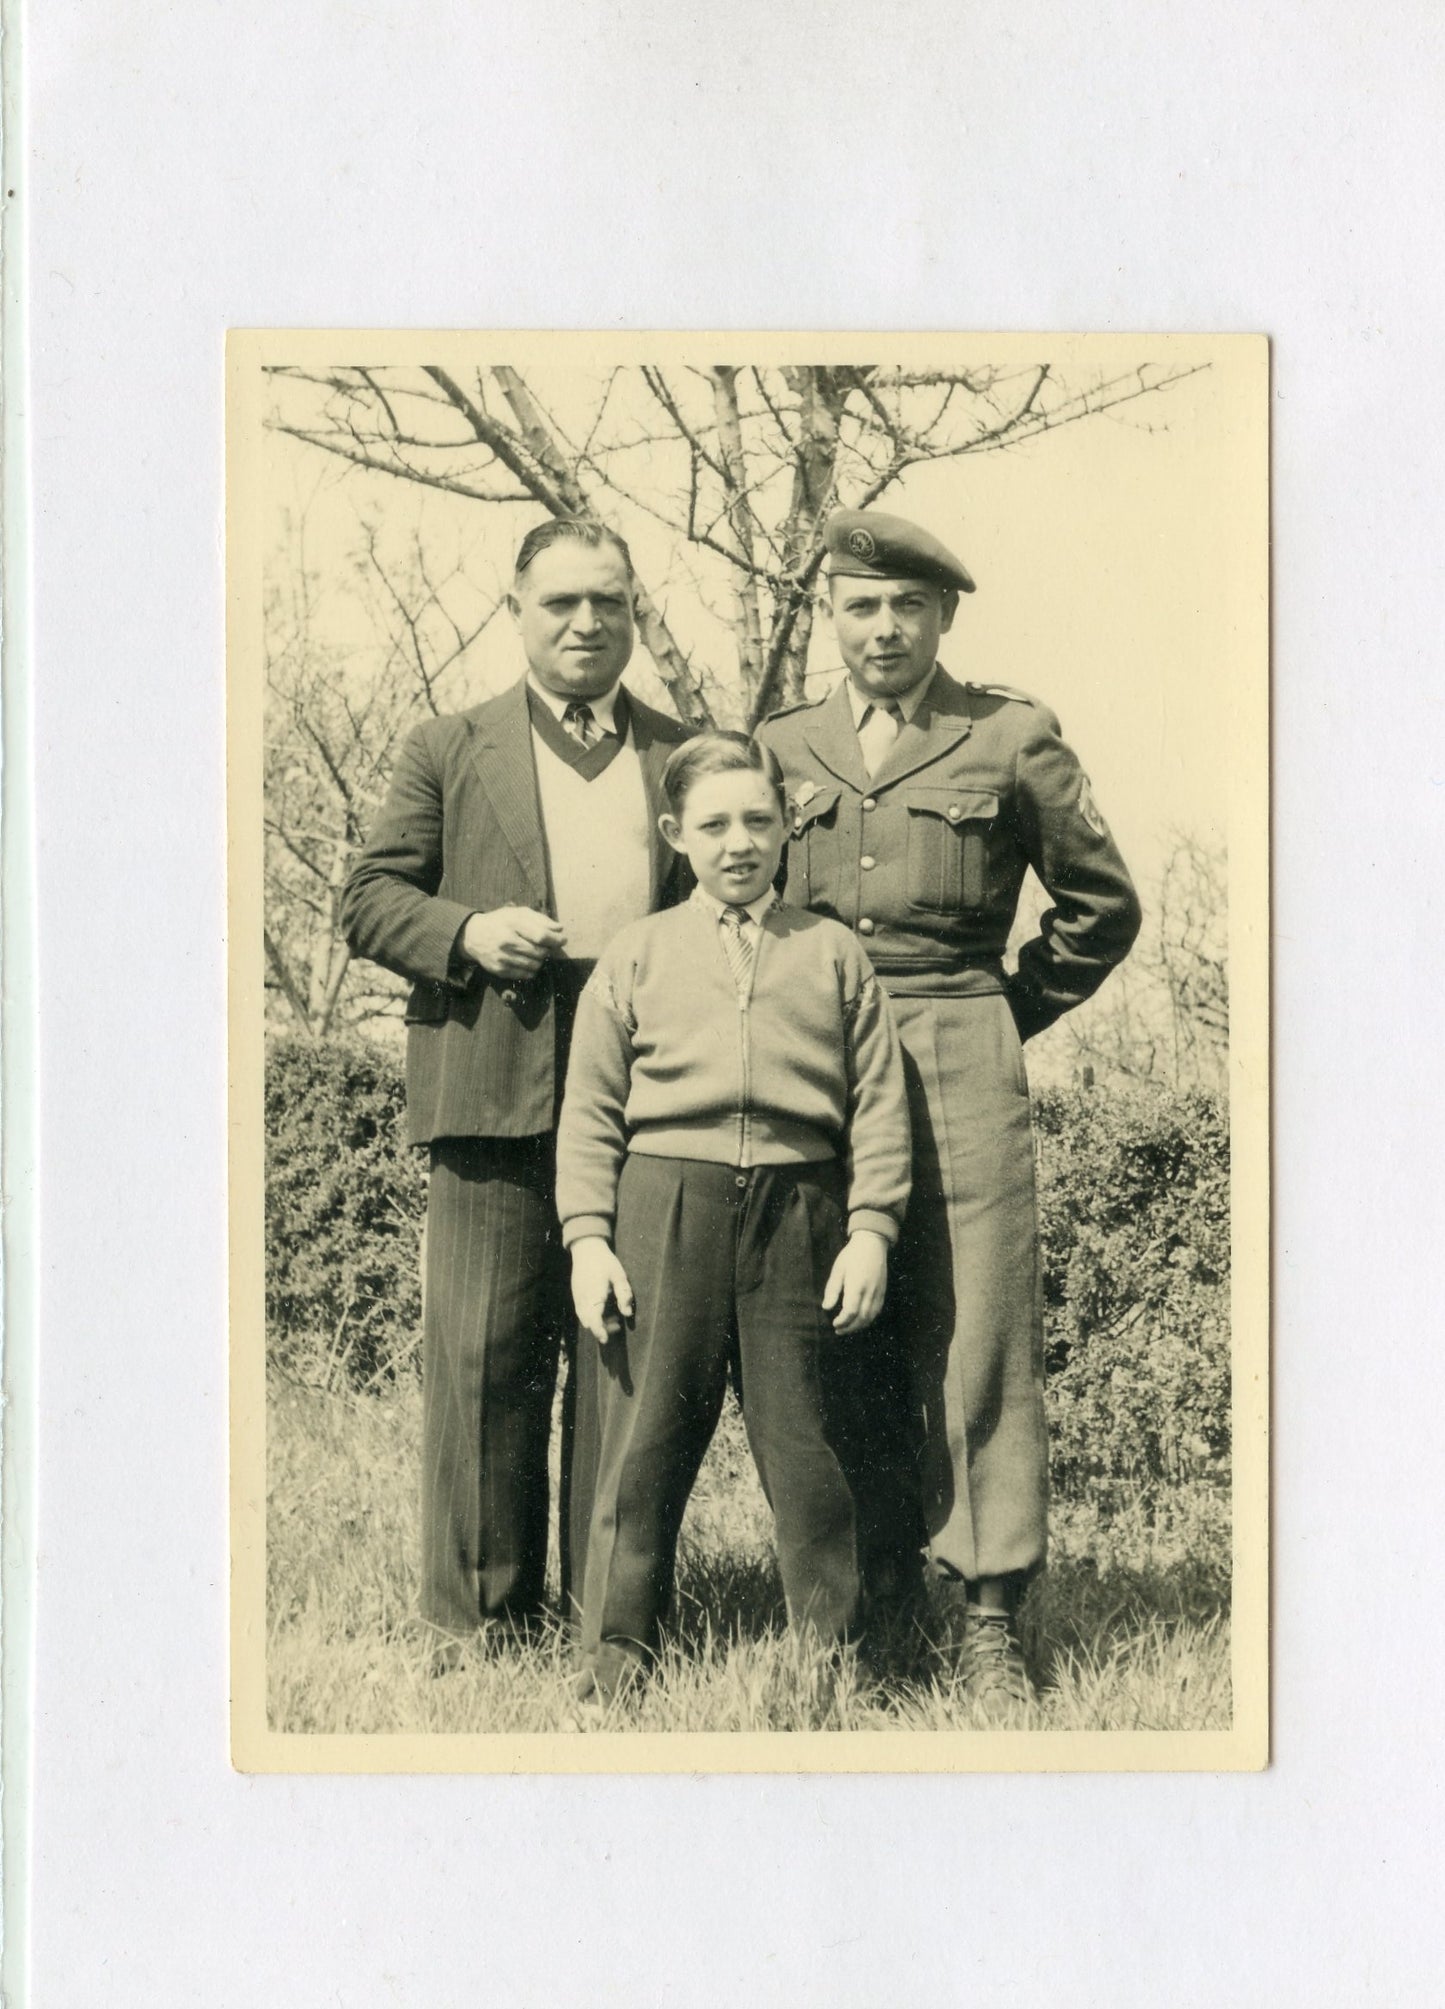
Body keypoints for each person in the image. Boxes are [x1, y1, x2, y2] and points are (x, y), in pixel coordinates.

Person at [757, 507, 1142, 1707]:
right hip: (814, 1053)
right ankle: (872, 1598)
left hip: (958, 1044)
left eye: (906, 606)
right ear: (829, 614)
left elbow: (1101, 906)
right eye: (859, 605)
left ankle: (986, 1613)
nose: (882, 627)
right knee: (838, 1324)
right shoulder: (776, 746)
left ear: (944, 617)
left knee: (978, 1334)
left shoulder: (1009, 736)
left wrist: (998, 1012)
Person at [340, 518, 693, 1661]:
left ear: (633, 611)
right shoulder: (448, 747)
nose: (587, 623)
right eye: (561, 604)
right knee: (485, 1365)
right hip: (488, 1095)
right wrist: (467, 929)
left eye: (609, 601)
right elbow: (367, 898)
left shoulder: (680, 754)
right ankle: (478, 1623)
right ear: (517, 609)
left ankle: (608, 1620)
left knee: (618, 1358)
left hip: (643, 1106)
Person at [554, 732, 912, 1702]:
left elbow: (879, 1103)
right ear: (676, 833)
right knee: (644, 1440)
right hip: (665, 1206)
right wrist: (589, 1237)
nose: (738, 841)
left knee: (809, 1444)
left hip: (800, 1214)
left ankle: (831, 1656)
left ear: (787, 824)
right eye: (713, 824)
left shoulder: (831, 953)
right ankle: (616, 1656)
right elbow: (587, 1109)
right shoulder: (637, 953)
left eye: (758, 819)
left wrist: (871, 1227)